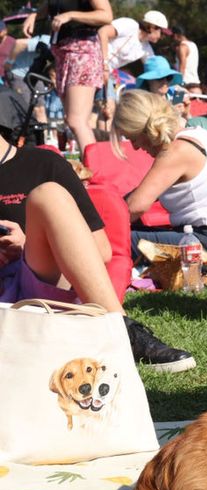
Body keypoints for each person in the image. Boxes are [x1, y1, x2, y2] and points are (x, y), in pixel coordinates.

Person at [0, 99, 195, 373]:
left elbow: (101, 250)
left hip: (36, 281)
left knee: (48, 196)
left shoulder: (43, 164)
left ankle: (120, 330)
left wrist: (28, 242)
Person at [111, 90, 207, 262]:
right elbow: (141, 194)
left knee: (108, 239)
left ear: (145, 130)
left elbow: (135, 207)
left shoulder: (176, 151)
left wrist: (97, 225)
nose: (134, 147)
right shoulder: (196, 135)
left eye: (133, 138)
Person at [22, 0, 113, 152]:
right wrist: (34, 15)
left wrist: (70, 15)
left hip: (82, 52)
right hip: (63, 55)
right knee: (72, 120)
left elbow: (106, 15)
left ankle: (98, 169)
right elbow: (51, 5)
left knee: (77, 120)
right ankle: (92, 166)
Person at [170, 25, 200, 93]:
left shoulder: (182, 47)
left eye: (172, 37)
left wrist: (178, 85)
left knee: (177, 103)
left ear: (176, 35)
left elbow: (182, 67)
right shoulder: (193, 45)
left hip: (185, 85)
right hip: (195, 85)